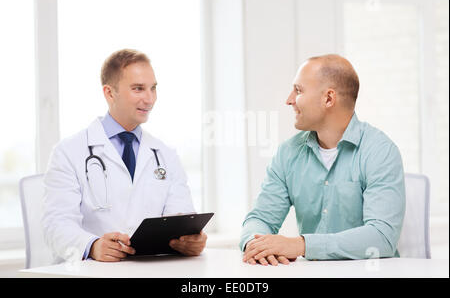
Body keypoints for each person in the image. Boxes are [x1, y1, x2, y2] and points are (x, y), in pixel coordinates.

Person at [42, 49, 207, 263]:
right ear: (110, 93)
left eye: (153, 88)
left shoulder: (165, 154)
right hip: (92, 272)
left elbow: (181, 216)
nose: (149, 99)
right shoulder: (68, 152)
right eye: (138, 89)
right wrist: (92, 246)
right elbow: (56, 224)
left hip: (150, 270)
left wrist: (190, 241)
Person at [240, 54, 405, 265]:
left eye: (298, 90)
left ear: (328, 98)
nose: (289, 100)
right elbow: (260, 219)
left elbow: (381, 237)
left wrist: (301, 245)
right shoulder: (288, 153)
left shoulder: (379, 152)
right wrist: (255, 245)